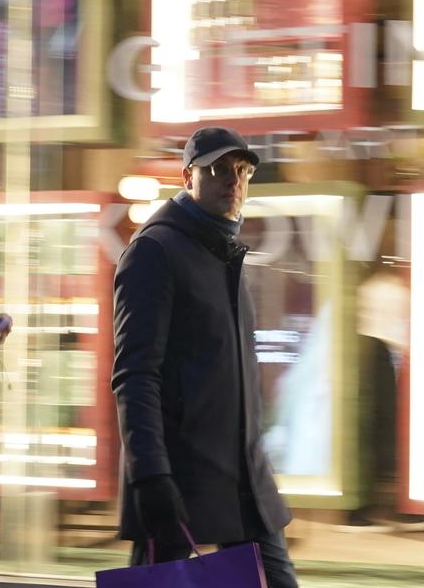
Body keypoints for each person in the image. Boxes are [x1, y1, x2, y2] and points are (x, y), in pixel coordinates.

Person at [112, 127, 297, 587]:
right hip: (180, 480)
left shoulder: (222, 251)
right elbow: (135, 376)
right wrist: (151, 477)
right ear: (187, 177)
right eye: (216, 169)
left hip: (241, 478)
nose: (231, 180)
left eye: (241, 170)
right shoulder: (155, 251)